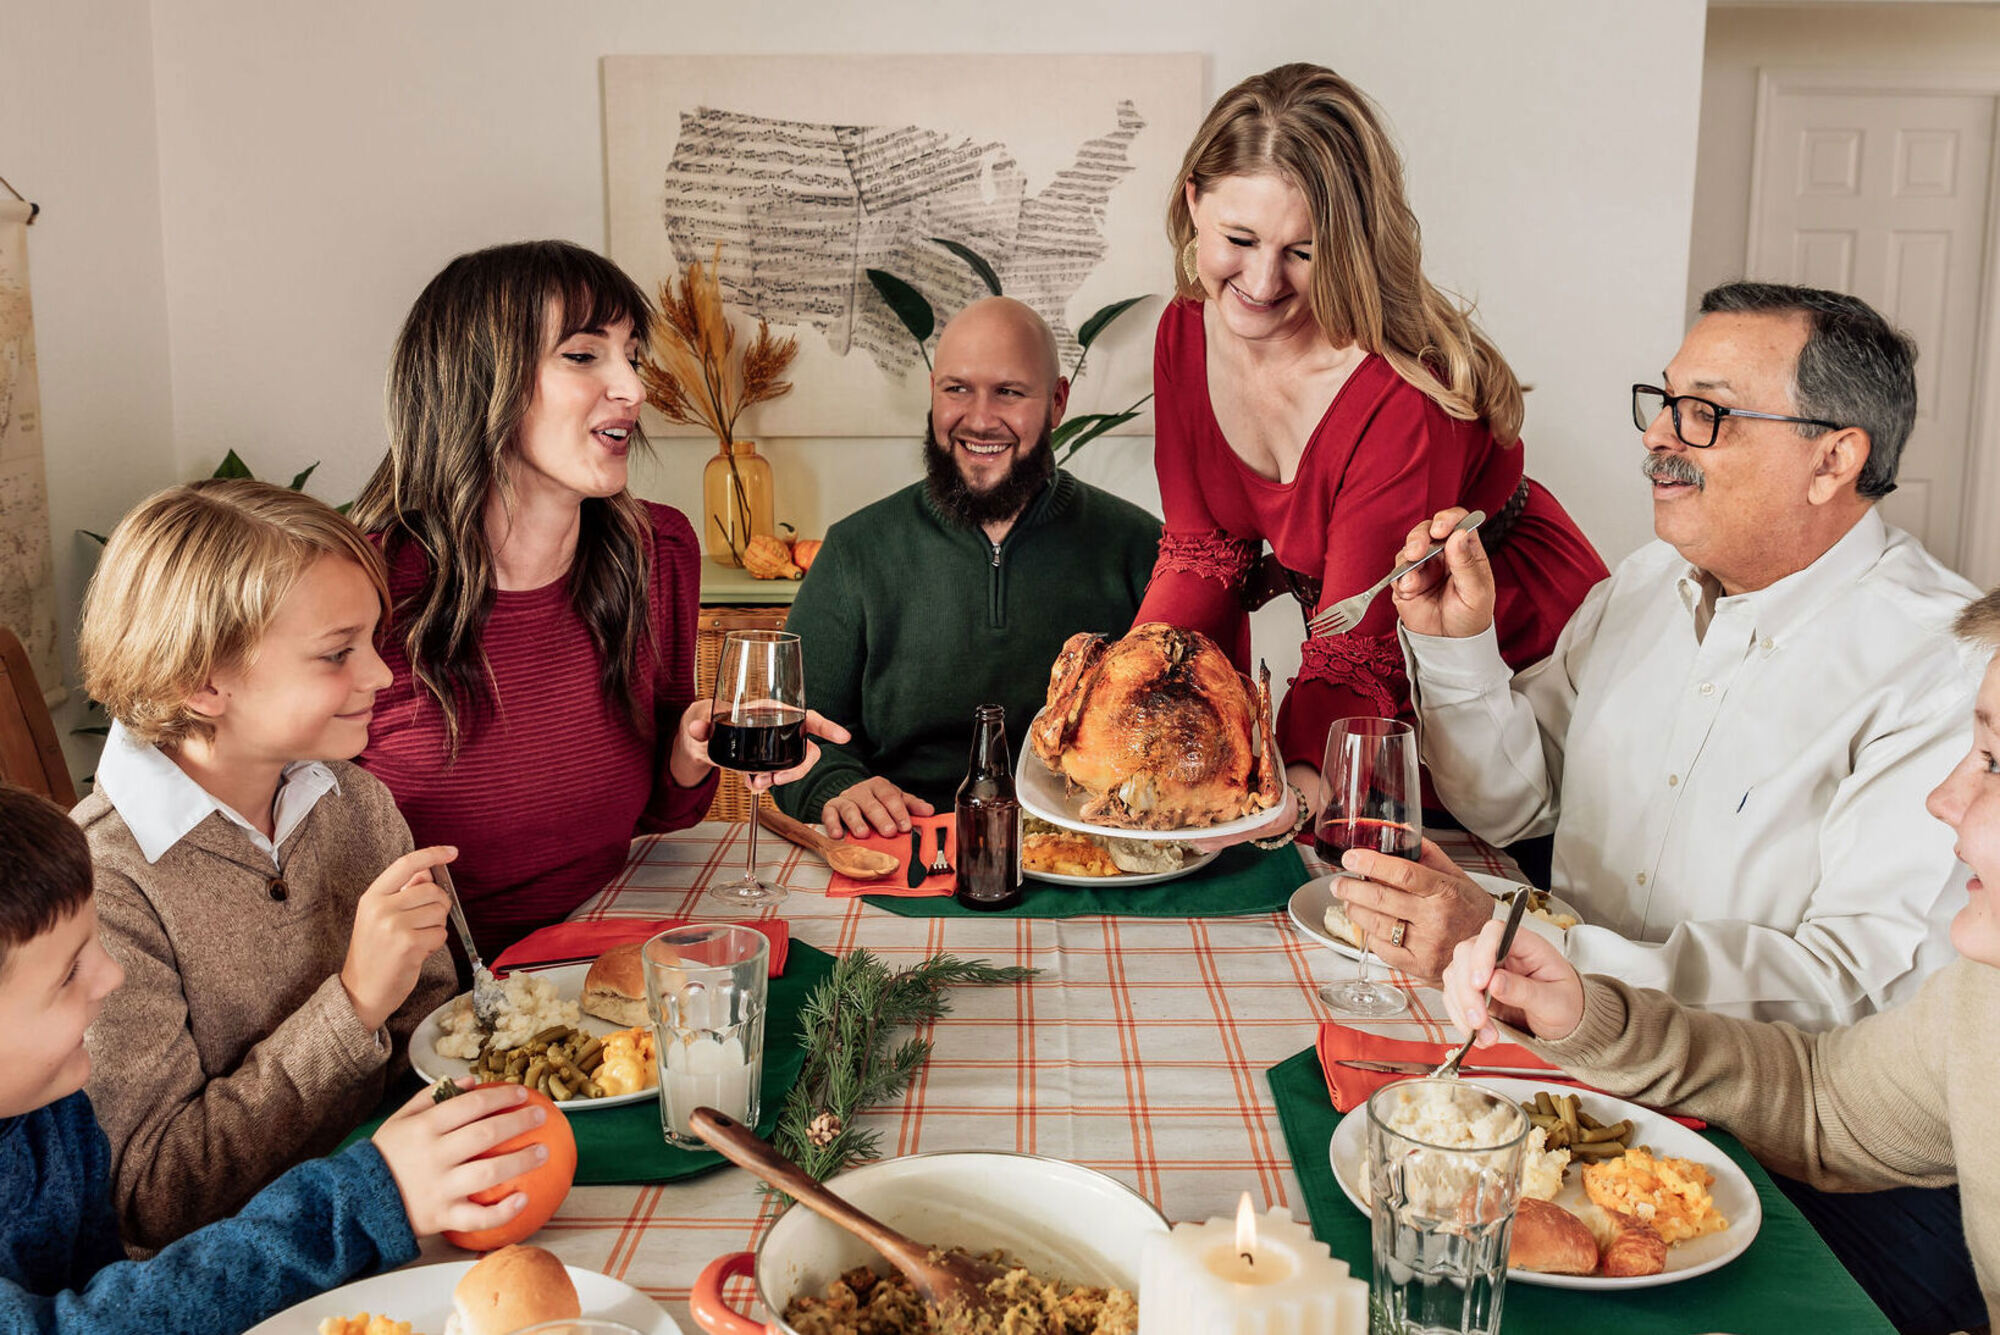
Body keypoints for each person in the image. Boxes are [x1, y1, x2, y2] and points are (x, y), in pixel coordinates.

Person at [1341, 281, 1980, 1033]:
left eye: (1705, 412)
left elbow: (1848, 988)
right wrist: (1456, 643)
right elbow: (1511, 804)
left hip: (1746, 1113)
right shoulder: (1646, 583)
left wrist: (1538, 948)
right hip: (1553, 1035)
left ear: (1833, 459)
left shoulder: (1945, 664)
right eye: (1666, 401)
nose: (1657, 437)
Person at [1438, 586, 2000, 1334]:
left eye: (1995, 761)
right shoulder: (1981, 998)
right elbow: (1819, 1097)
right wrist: (1586, 1015)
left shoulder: (1914, 639)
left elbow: (1836, 988)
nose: (1945, 798)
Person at [1131, 63, 1606, 838]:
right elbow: (1200, 553)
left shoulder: (1403, 390)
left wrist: (1279, 796)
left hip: (1500, 650)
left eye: (1302, 252)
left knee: (1507, 875)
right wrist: (1142, 704)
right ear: (1193, 201)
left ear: (1349, 243)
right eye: (1239, 238)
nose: (1259, 280)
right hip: (1368, 646)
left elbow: (1358, 649)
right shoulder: (1186, 331)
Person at [353, 240, 843, 953]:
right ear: (476, 381)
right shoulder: (361, 589)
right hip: (426, 1001)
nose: (634, 390)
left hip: (602, 954)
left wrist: (692, 748)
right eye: (584, 356)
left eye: (633, 356)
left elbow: (662, 815)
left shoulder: (655, 553)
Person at [0, 782, 550, 1332]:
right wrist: (363, 1201)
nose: (111, 977)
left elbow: (107, 1283)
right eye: (68, 973)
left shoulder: (51, 1108)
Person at [72, 480, 459, 1251]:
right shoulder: (104, 885)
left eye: (374, 640)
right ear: (204, 681)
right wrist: (351, 1006)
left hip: (411, 1222)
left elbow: (438, 1033)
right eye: (336, 653)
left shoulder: (355, 799)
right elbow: (153, 1195)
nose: (382, 675)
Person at [775, 296, 1160, 837]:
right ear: (933, 390)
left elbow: (1177, 728)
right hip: (903, 846)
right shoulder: (853, 551)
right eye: (957, 389)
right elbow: (792, 728)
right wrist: (838, 788)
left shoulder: (1143, 547)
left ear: (1056, 402)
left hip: (1095, 851)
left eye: (1008, 392)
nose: (979, 420)